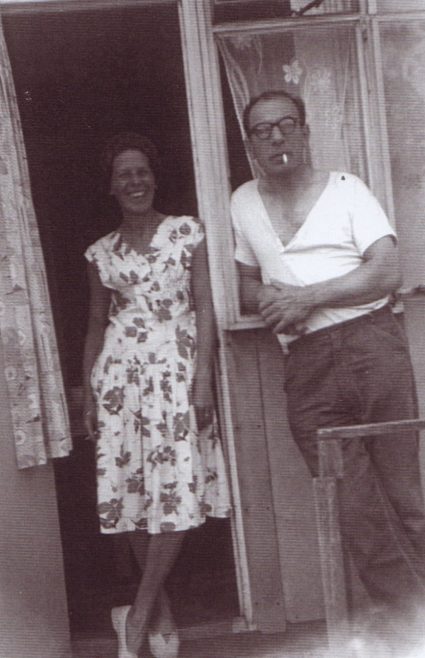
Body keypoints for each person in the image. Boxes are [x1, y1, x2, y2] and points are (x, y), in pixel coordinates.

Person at [230, 89, 425, 649]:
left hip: (373, 348)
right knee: (356, 513)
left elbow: (387, 271)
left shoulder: (347, 190)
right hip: (307, 364)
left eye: (286, 125)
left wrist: (305, 298)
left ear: (306, 132)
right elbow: (245, 279)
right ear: (249, 144)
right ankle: (413, 628)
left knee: (406, 502)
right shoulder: (243, 202)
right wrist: (266, 297)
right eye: (262, 130)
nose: (276, 138)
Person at [83, 132, 231, 658]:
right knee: (130, 486)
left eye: (142, 171)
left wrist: (204, 379)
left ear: (155, 176)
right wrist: (87, 392)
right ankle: (160, 607)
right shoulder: (101, 253)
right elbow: (97, 324)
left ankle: (138, 613)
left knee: (175, 484)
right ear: (111, 187)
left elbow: (207, 309)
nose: (135, 181)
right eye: (124, 174)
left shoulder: (186, 232)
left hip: (176, 373)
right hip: (120, 380)